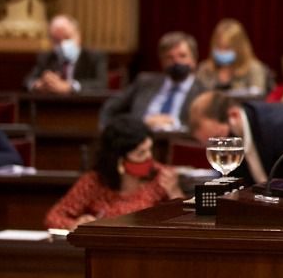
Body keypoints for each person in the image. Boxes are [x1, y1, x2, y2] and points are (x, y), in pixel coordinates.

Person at [44, 116, 183, 230]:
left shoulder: (162, 176)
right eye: (141, 153)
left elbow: (184, 222)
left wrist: (175, 192)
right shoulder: (94, 181)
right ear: (118, 159)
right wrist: (75, 225)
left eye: (149, 150)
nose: (149, 158)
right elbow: (53, 217)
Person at [99, 31, 206, 131]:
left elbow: (204, 127)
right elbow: (110, 107)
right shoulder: (144, 82)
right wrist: (143, 123)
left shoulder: (203, 92)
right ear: (162, 62)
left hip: (178, 142)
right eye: (170, 58)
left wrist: (174, 123)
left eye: (182, 56)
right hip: (138, 138)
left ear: (194, 60)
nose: (176, 62)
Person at [24, 14, 108, 93]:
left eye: (67, 37)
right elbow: (28, 81)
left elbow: (101, 84)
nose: (62, 44)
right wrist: (40, 84)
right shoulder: (46, 58)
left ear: (78, 36)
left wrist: (70, 86)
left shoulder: (94, 57)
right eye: (57, 40)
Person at [195, 18, 273, 95]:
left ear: (240, 48)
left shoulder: (254, 69)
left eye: (227, 48)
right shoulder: (204, 69)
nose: (222, 52)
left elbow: (257, 100)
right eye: (219, 47)